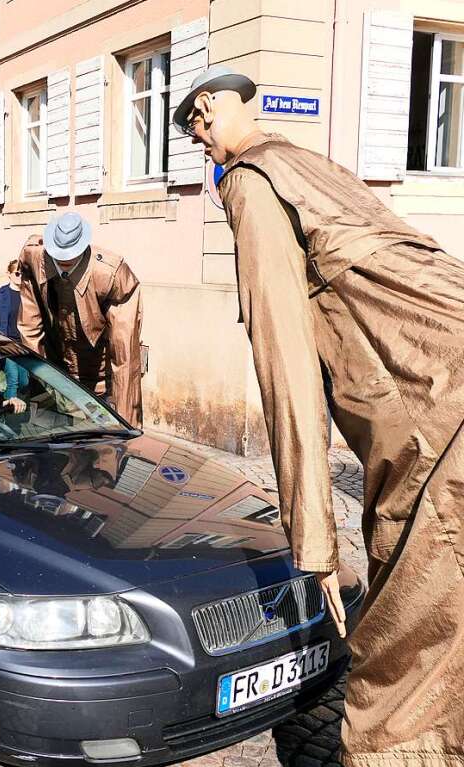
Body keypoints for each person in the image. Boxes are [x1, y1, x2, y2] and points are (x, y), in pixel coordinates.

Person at [178, 64, 464, 766]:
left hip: (438, 430)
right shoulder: (318, 166)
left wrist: (314, 549)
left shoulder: (250, 181)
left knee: (396, 686)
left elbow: (288, 371)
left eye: (195, 131)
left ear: (212, 109)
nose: (201, 147)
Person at [16, 213, 143, 427]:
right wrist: (43, 385)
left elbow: (125, 358)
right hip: (57, 379)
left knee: (100, 455)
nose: (64, 262)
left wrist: (126, 428)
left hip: (100, 385)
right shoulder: (34, 259)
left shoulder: (112, 275)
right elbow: (29, 329)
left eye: (70, 258)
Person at [0, 259, 30, 411]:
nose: (20, 277)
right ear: (9, 274)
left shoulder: (28, 295)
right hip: (7, 343)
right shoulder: (1, 294)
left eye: (23, 274)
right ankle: (7, 412)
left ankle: (5, 399)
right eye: (17, 273)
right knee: (12, 377)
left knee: (24, 380)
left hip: (23, 345)